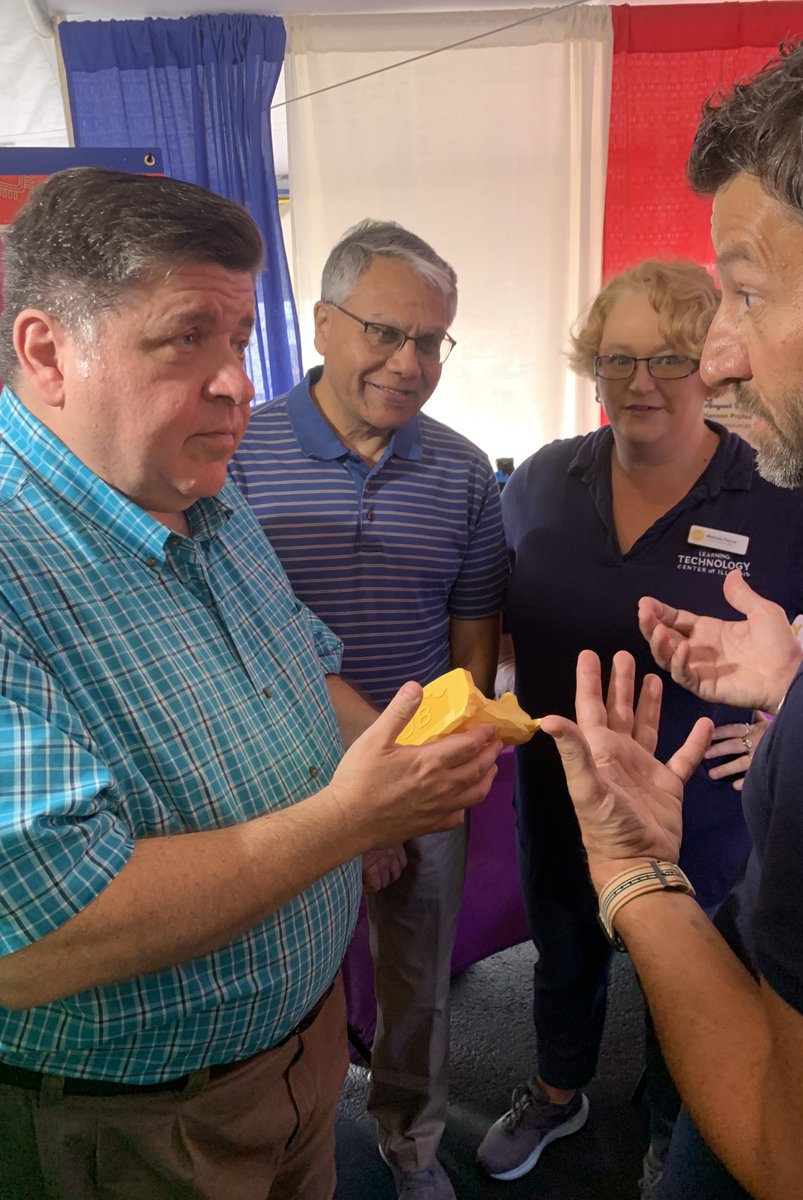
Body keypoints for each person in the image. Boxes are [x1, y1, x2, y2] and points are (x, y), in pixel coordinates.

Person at [0, 168, 503, 1200]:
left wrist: (409, 753)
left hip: (295, 1059)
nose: (235, 380)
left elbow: (306, 667)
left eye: (236, 340)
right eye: (188, 337)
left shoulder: (206, 499)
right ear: (48, 352)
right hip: (140, 1123)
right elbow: (37, 937)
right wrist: (349, 821)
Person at [542, 3, 803, 1196]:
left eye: (744, 297)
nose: (724, 358)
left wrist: (636, 871)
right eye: (623, 359)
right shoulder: (541, 482)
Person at [475, 259, 803, 1189]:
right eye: (617, 359)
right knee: (565, 944)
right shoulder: (538, 479)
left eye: (668, 357)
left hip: (701, 807)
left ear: (710, 365)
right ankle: (555, 1085)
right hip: (561, 789)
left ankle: (670, 1124)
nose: (641, 382)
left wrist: (788, 710)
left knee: (686, 974)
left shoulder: (778, 499)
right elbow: (492, 611)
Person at [230, 219, 507, 1200]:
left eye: (431, 341)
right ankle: (279, 1146)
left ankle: (413, 1144)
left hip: (421, 772)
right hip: (278, 780)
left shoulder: (467, 472)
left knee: (417, 984)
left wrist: (431, 783)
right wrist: (348, 802)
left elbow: (473, 643)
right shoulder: (235, 453)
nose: (408, 361)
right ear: (321, 325)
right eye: (385, 332)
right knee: (274, 979)